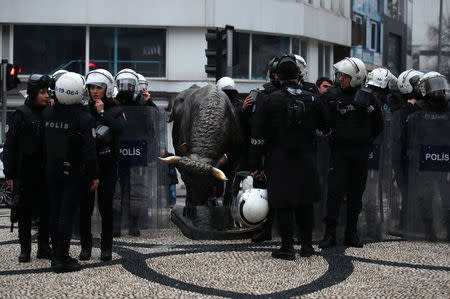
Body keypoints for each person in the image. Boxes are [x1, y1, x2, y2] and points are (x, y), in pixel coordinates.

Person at [251, 54, 330, 260]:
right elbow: (327, 127)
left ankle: (287, 247)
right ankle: (306, 246)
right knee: (305, 201)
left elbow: (257, 134)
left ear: (277, 76)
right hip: (307, 156)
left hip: (279, 157)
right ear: (298, 74)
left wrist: (256, 162)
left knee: (283, 201)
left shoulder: (268, 99)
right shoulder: (312, 97)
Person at [319, 57, 384, 249]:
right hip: (339, 152)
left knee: (356, 195)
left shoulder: (369, 97)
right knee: (334, 193)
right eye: (340, 75)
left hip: (359, 152)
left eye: (346, 76)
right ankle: (330, 234)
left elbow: (378, 125)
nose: (341, 79)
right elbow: (321, 116)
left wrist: (365, 139)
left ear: (356, 78)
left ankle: (351, 232)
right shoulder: (331, 94)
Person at [43, 72, 99, 273]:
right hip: (73, 172)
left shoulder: (47, 114)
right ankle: (60, 260)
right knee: (66, 215)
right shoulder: (83, 118)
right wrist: (94, 175)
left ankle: (59, 254)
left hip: (51, 170)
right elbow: (89, 151)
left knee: (55, 213)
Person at [3, 74, 53, 263]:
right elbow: (10, 146)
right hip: (26, 172)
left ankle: (43, 247)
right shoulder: (21, 114)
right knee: (24, 213)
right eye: (42, 92)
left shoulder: (50, 113)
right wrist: (10, 173)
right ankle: (25, 249)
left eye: (47, 92)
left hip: (45, 171)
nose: (46, 95)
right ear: (33, 93)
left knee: (46, 212)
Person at [79, 69, 125, 262]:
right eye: (92, 87)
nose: (95, 91)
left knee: (106, 208)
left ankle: (106, 248)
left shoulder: (115, 109)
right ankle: (86, 248)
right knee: (85, 209)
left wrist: (102, 113)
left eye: (99, 87)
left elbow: (120, 128)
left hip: (108, 165)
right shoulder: (83, 109)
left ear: (107, 89)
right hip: (88, 166)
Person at [407, 72, 450, 240]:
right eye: (433, 86)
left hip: (445, 157)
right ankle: (429, 231)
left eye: (440, 85)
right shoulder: (419, 108)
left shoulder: (448, 106)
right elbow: (412, 135)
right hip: (425, 158)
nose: (437, 90)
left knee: (447, 196)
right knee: (426, 195)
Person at [250, 56, 281, 243]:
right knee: (270, 193)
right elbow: (257, 127)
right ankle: (268, 228)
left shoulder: (301, 92)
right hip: (271, 152)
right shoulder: (265, 95)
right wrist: (257, 158)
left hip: (294, 151)